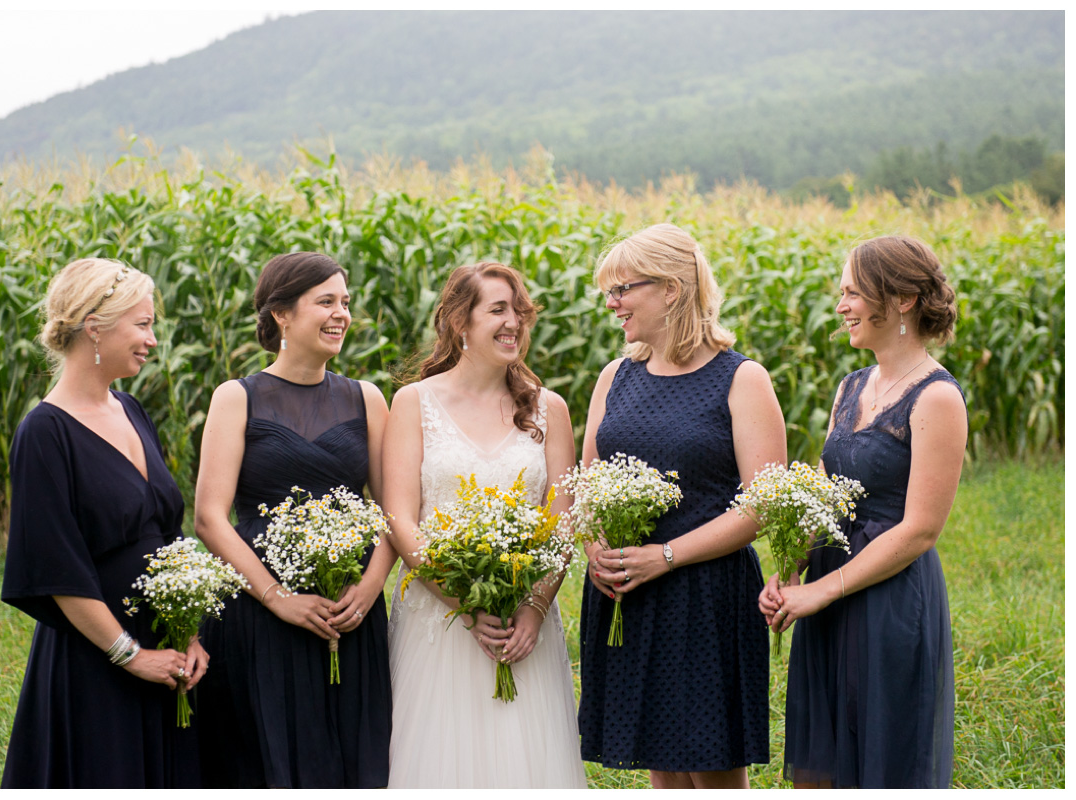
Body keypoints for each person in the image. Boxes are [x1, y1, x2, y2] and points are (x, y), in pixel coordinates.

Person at [577, 223, 786, 789]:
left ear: (671, 289)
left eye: (623, 289)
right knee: (662, 767)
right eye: (609, 292)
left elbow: (761, 506)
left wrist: (664, 556)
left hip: (706, 596)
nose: (612, 304)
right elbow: (588, 483)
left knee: (711, 767)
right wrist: (597, 549)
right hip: (626, 592)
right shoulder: (615, 376)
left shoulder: (741, 378)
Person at [759, 235, 964, 788]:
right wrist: (791, 566)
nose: (841, 306)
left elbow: (921, 530)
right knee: (822, 764)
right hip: (825, 591)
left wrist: (822, 591)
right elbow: (826, 491)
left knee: (883, 760)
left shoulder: (936, 398)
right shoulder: (852, 386)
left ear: (899, 299)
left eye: (852, 292)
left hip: (888, 598)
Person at [193, 252, 394, 789]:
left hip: (349, 610)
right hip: (257, 611)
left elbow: (393, 509)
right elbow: (210, 518)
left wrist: (370, 587)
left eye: (345, 303)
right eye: (325, 302)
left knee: (353, 751)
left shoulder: (367, 399)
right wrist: (278, 599)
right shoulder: (236, 398)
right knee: (263, 756)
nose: (341, 315)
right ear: (281, 314)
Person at [1, 258, 204, 788]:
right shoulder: (45, 433)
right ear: (95, 326)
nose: (153, 340)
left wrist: (190, 632)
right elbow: (56, 567)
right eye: (142, 324)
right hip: (95, 659)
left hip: (165, 647)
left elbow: (166, 532)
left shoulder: (131, 408)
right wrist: (130, 656)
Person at [382, 262, 587, 788]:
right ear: (458, 322)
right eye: (498, 309)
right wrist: (463, 604)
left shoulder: (550, 409)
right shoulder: (414, 403)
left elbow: (561, 521)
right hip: (440, 620)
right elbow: (400, 517)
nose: (513, 322)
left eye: (519, 311)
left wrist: (535, 609)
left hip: (524, 621)